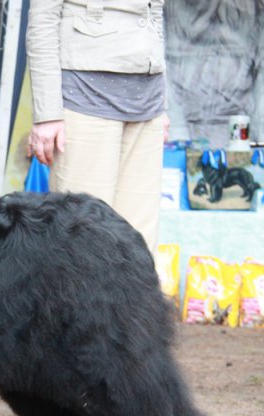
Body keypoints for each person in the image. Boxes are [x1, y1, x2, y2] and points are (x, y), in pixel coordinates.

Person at [25, 0, 170, 251]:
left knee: (141, 247)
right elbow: (42, 21)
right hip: (85, 96)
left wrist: (162, 104)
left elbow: (154, 12)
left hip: (148, 101)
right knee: (81, 243)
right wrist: (47, 114)